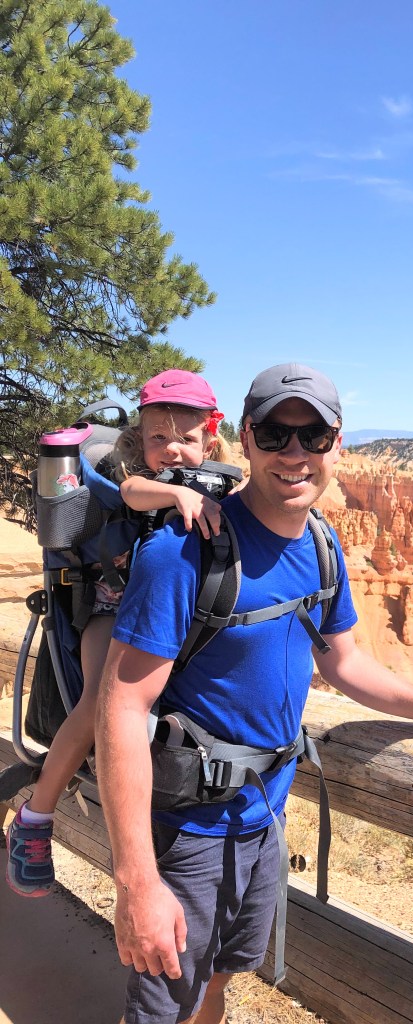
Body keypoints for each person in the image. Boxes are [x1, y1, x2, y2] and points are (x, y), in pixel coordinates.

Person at [95, 362, 413, 1024]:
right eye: (274, 434)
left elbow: (344, 663)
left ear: (337, 443)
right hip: (186, 830)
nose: (294, 454)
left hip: (266, 821)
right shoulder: (183, 553)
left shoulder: (322, 546)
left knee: (217, 984)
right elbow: (121, 711)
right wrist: (137, 884)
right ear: (244, 440)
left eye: (312, 436)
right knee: (161, 1010)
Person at [5, 369, 232, 898]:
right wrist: (177, 498)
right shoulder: (130, 471)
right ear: (139, 437)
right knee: (101, 702)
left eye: (187, 438)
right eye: (159, 437)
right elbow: (132, 493)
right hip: (111, 609)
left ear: (210, 439)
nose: (172, 449)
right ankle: (36, 817)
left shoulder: (217, 479)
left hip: (172, 618)